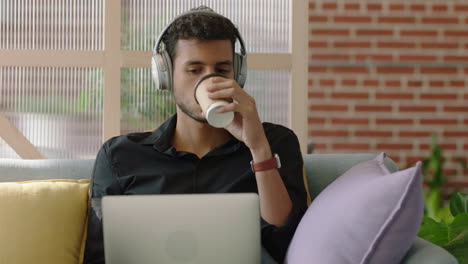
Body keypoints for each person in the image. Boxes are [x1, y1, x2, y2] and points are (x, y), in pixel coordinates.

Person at [84, 6, 308, 264]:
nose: (209, 81)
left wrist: (258, 148)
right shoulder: (120, 156)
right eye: (195, 70)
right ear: (165, 76)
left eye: (221, 70)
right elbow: (99, 256)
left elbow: (286, 242)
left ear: (238, 74)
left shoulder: (274, 142)